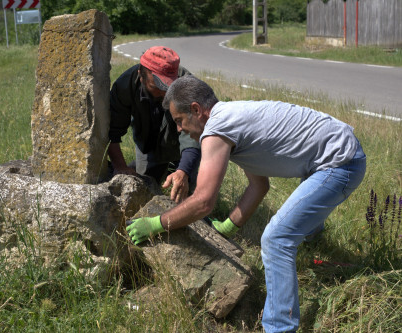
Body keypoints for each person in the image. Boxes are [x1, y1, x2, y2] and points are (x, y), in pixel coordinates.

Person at [126, 75, 366, 332]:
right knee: (296, 226)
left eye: (179, 121)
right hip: (331, 156)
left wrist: (156, 224)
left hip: (340, 162)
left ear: (196, 110)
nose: (179, 129)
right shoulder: (232, 119)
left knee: (276, 239)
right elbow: (259, 185)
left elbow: (204, 202)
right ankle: (316, 249)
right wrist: (228, 227)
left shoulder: (216, 130)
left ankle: (279, 328)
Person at [108, 46, 201, 203]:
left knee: (185, 192)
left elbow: (193, 135)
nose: (164, 93)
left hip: (182, 147)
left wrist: (183, 170)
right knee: (146, 188)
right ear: (141, 76)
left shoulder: (188, 87)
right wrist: (120, 166)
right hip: (148, 145)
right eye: (156, 87)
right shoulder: (125, 86)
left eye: (167, 87)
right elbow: (112, 131)